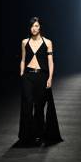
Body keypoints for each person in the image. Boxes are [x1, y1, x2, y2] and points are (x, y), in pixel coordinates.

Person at [16, 17, 64, 146]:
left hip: (42, 77)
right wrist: (22, 73)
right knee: (27, 105)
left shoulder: (48, 42)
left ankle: (38, 134)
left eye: (36, 26)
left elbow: (50, 62)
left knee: (39, 106)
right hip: (28, 76)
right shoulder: (24, 42)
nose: (34, 28)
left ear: (40, 27)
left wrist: (50, 78)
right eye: (32, 26)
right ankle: (25, 135)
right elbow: (23, 59)